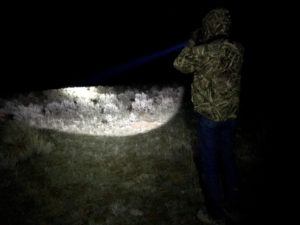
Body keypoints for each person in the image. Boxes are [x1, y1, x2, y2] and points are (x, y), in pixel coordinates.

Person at [173, 7, 244, 225]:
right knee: (228, 160)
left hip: (209, 118)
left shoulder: (204, 50)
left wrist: (193, 40)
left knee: (210, 164)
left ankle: (215, 214)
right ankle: (233, 207)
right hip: (230, 115)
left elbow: (179, 64)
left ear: (210, 25)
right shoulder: (238, 49)